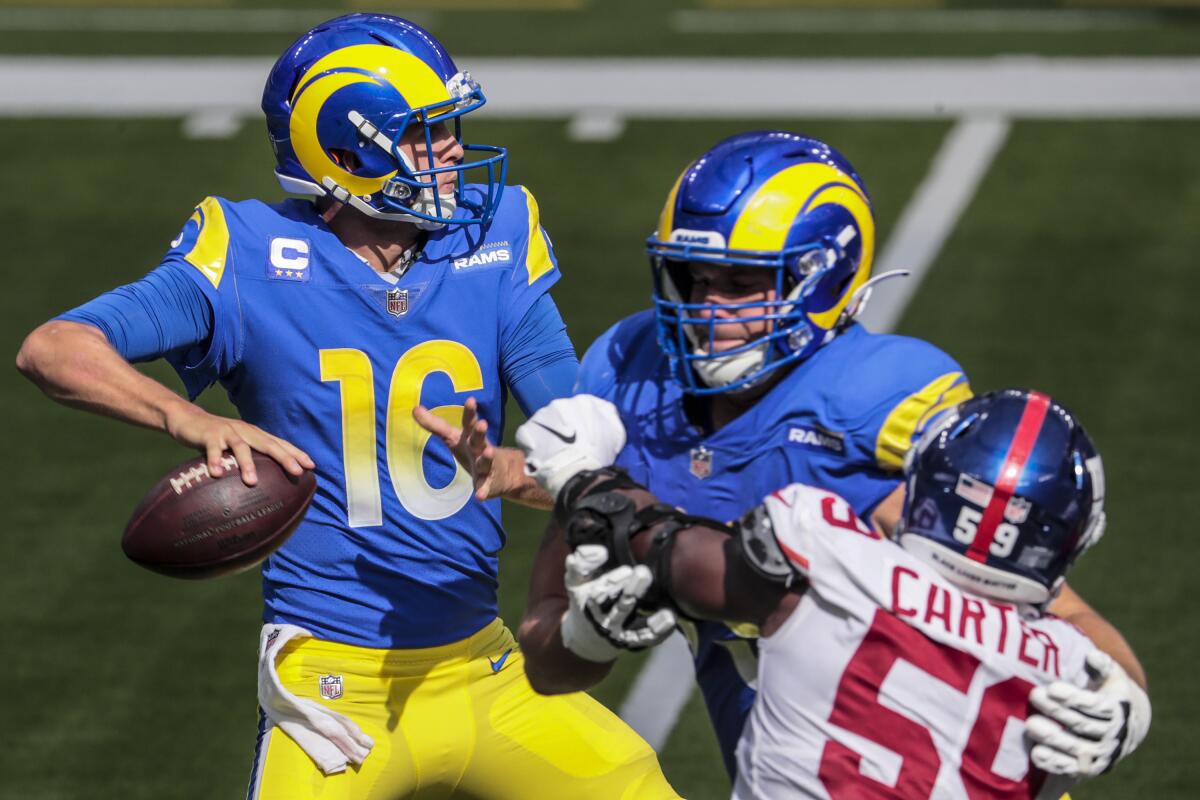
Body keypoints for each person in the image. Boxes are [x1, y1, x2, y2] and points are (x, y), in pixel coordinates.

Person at [15, 13, 677, 800]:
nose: (456, 150)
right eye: (427, 134)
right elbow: (54, 348)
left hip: (486, 670)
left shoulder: (492, 235)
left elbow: (587, 454)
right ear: (347, 153)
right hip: (334, 697)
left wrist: (512, 470)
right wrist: (191, 418)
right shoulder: (249, 253)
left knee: (638, 784)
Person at [512, 131, 1147, 784]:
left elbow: (1051, 607)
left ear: (824, 279)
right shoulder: (632, 383)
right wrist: (589, 635)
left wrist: (1122, 688)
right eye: (695, 277)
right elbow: (548, 662)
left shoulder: (876, 403)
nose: (707, 308)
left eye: (742, 283)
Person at [527, 388, 1151, 798]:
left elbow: (663, 550)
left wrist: (582, 475)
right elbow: (1082, 644)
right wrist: (1136, 705)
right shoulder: (1069, 673)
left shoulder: (825, 550)